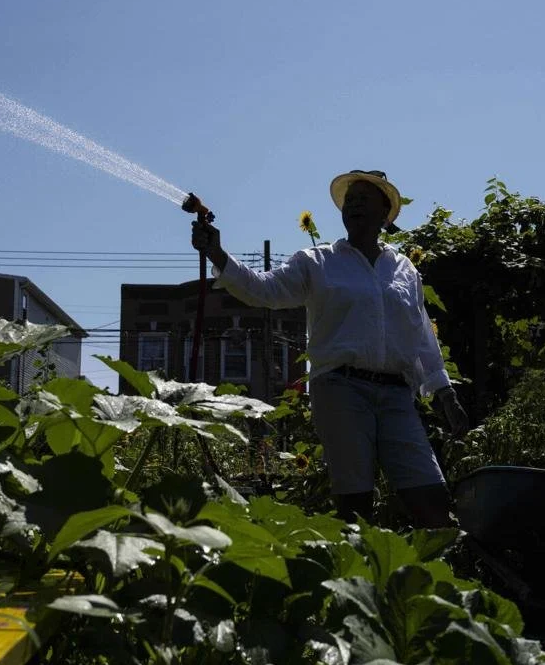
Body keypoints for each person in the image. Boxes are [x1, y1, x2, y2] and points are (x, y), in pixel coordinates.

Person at [191, 169, 469, 528]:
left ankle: (439, 573)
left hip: (397, 393)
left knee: (429, 493)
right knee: (355, 500)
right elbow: (264, 290)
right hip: (341, 388)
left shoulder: (403, 269)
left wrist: (444, 392)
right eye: (348, 200)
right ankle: (356, 573)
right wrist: (217, 252)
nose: (353, 205)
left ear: (385, 214)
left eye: (363, 199)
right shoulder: (318, 262)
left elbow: (420, 335)